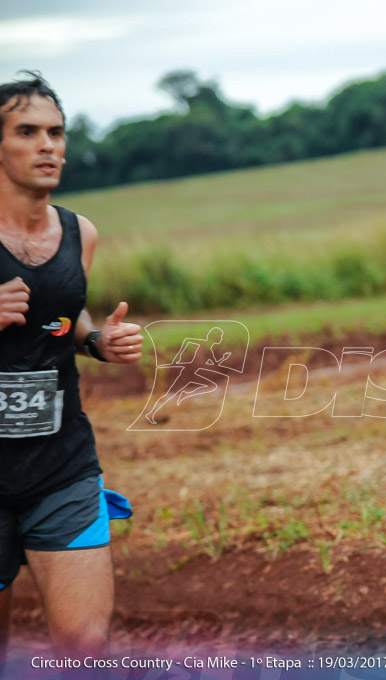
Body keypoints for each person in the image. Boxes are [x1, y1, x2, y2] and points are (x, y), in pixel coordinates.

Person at [0, 73, 143, 660]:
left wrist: (95, 342)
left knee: (86, 648)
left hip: (62, 468)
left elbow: (65, 311)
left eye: (56, 132)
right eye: (28, 132)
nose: (48, 146)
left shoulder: (79, 233)